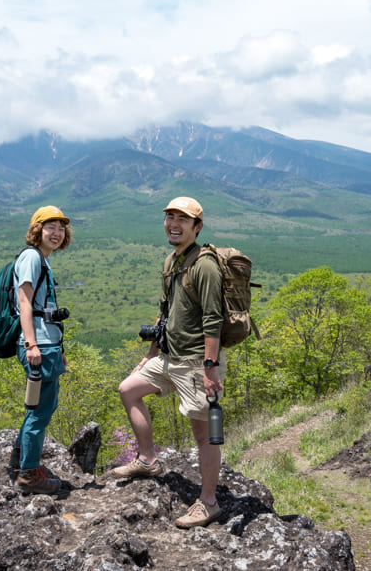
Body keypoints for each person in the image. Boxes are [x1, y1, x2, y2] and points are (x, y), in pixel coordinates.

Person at [112, 195, 225, 529]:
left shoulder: (204, 265)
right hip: (168, 357)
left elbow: (213, 321)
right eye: (169, 218)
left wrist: (209, 367)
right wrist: (148, 357)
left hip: (194, 363)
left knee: (204, 435)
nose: (173, 224)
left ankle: (208, 502)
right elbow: (164, 315)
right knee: (129, 389)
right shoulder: (171, 261)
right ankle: (148, 459)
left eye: (182, 219)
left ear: (197, 226)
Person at [14, 205, 73, 495]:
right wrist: (31, 344)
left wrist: (57, 346)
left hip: (48, 344)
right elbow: (25, 303)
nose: (57, 233)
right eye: (50, 227)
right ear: (37, 230)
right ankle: (29, 474)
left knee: (37, 405)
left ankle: (20, 459)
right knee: (41, 409)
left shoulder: (42, 260)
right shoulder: (31, 258)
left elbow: (42, 309)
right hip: (38, 345)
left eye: (61, 228)